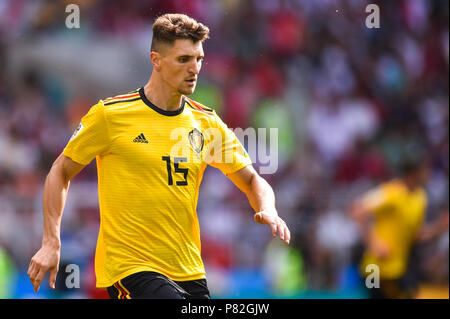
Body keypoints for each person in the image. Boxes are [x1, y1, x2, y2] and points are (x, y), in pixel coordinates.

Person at [27, 13, 290, 299]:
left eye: (199, 59)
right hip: (130, 269)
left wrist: (268, 208)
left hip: (188, 270)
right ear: (156, 60)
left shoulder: (207, 123)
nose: (194, 69)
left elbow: (252, 179)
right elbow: (60, 172)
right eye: (183, 59)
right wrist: (51, 241)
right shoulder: (111, 115)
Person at [350, 155, 449, 298]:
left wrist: (440, 227)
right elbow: (357, 210)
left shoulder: (420, 198)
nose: (429, 174)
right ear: (413, 173)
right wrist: (373, 243)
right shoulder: (391, 192)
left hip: (398, 270)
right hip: (375, 268)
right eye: (425, 170)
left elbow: (416, 235)